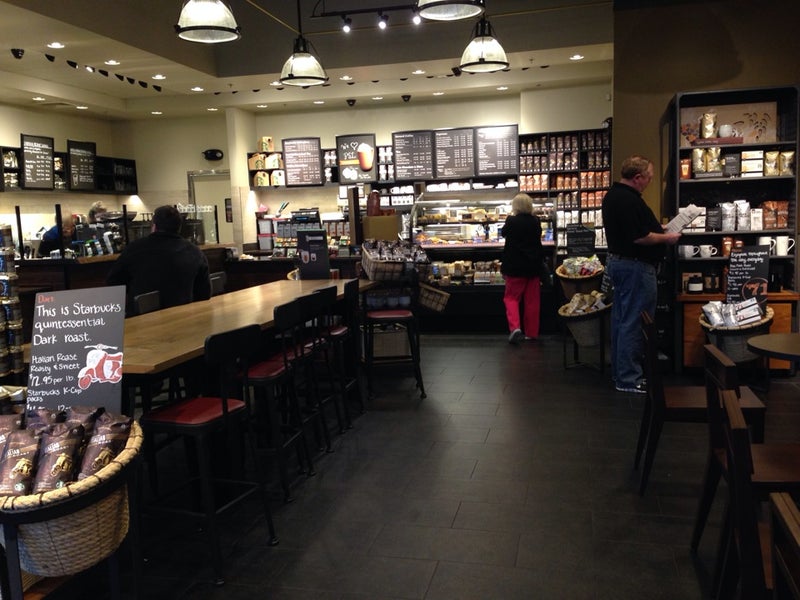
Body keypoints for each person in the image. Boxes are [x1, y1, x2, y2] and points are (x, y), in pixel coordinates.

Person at [602, 155, 681, 393]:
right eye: (649, 178)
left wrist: (659, 228)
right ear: (638, 177)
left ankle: (620, 374)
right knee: (635, 322)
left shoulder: (613, 196)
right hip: (635, 267)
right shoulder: (629, 200)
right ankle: (629, 378)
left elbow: (635, 230)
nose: (649, 181)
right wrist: (667, 237)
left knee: (622, 320)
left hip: (621, 264)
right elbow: (639, 237)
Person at [107, 204, 211, 315]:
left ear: (154, 226)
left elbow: (113, 282)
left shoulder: (134, 249)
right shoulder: (195, 252)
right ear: (179, 228)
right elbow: (204, 294)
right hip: (183, 318)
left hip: (141, 319)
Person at [500, 192, 545, 344]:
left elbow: (503, 233)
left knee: (511, 298)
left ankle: (515, 328)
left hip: (515, 266)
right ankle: (532, 333)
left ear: (516, 206)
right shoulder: (536, 221)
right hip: (533, 266)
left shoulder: (511, 220)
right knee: (532, 301)